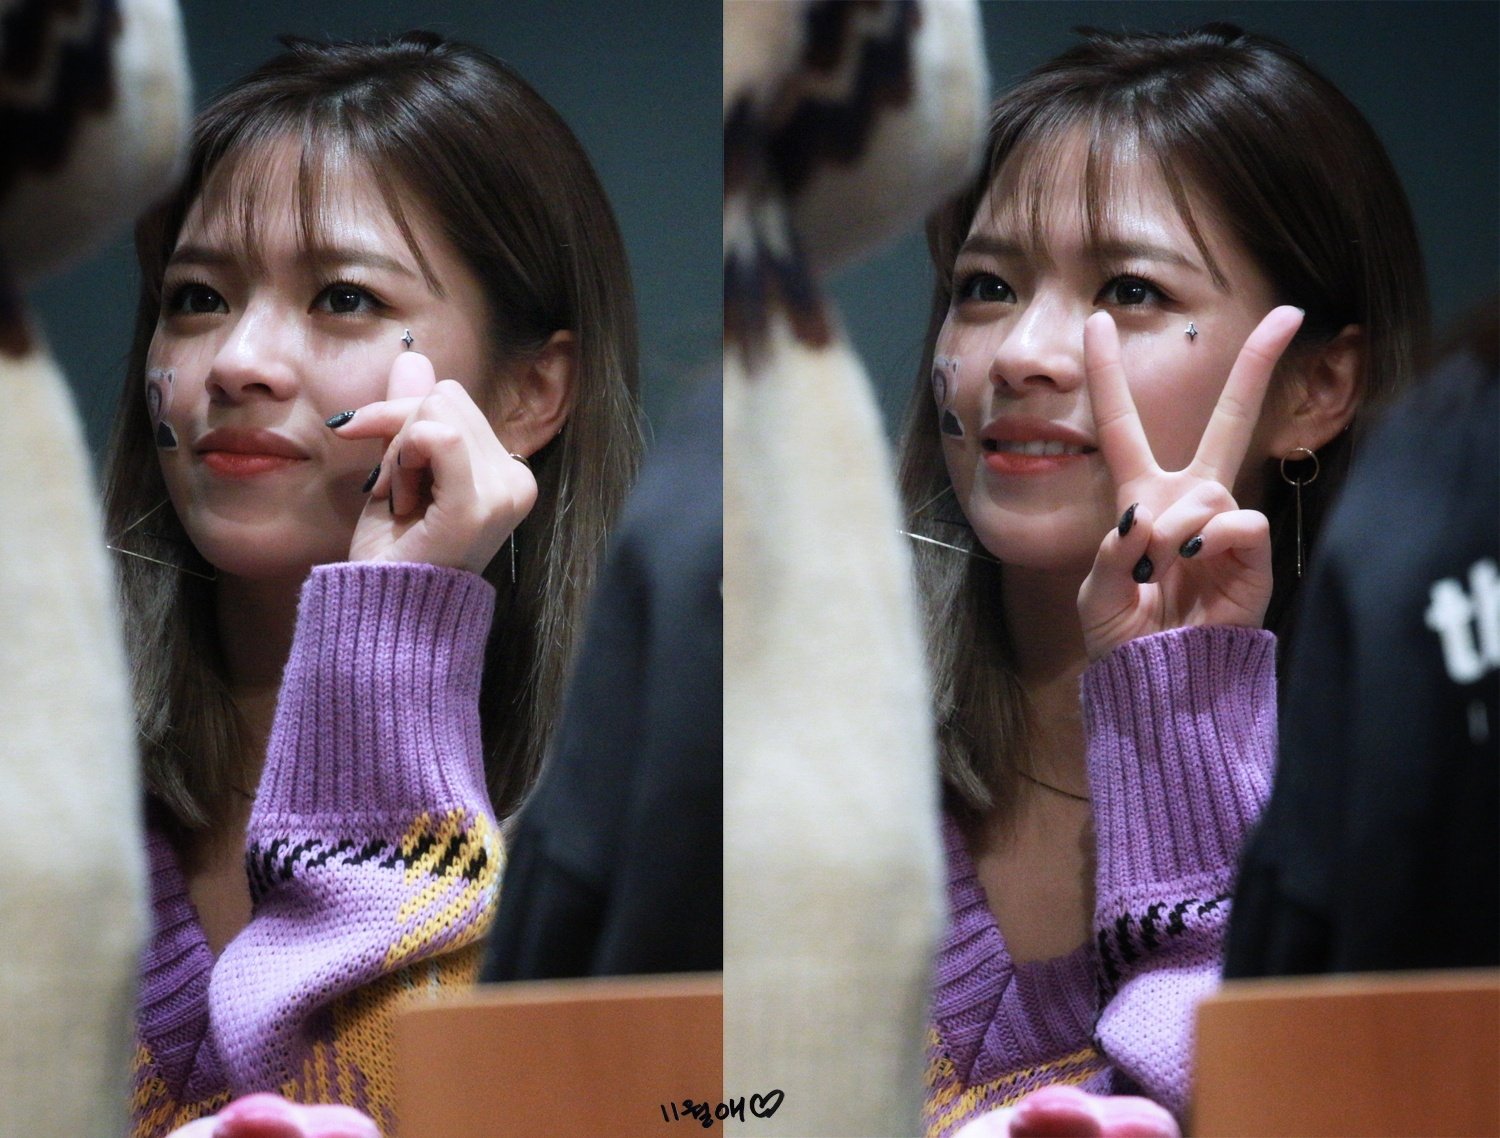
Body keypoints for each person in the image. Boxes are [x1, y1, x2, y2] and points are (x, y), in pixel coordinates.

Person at [102, 31, 640, 1136]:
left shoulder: (658, 815)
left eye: (342, 298)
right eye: (197, 297)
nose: (237, 362)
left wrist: (390, 637)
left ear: (533, 391)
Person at [898, 24, 1427, 1137]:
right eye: (986, 285)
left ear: (1318, 388)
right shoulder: (806, 724)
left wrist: (1180, 697)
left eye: (1130, 291)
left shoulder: (1408, 798)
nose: (1025, 353)